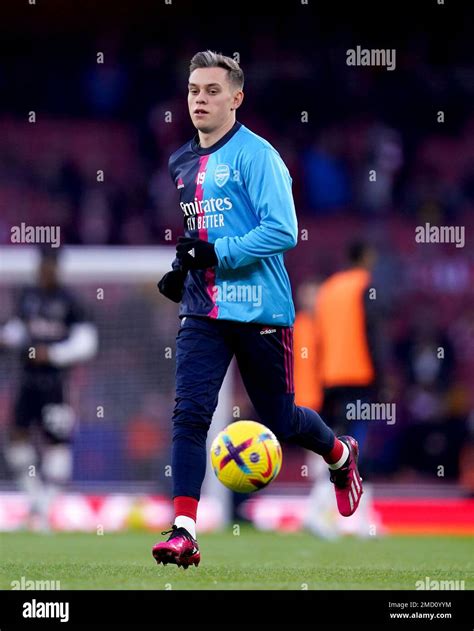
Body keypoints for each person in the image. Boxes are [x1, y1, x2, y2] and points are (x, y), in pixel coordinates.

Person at [154, 50, 363, 569]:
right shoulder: (182, 161)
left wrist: (215, 254)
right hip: (203, 309)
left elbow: (282, 230)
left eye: (212, 91)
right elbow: (203, 234)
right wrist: (185, 266)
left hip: (260, 308)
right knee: (190, 412)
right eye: (193, 90)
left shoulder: (259, 155)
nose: (199, 99)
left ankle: (340, 455)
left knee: (281, 418)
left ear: (236, 98)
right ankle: (183, 530)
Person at [0, 247, 98, 530]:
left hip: (56, 385)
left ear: (57, 267)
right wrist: (7, 338)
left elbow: (87, 344)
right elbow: (19, 331)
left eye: (50, 266)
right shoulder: (27, 297)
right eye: (43, 265)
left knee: (57, 443)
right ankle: (35, 501)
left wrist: (52, 354)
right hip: (27, 381)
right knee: (16, 438)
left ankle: (45, 509)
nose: (45, 271)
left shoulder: (71, 302)